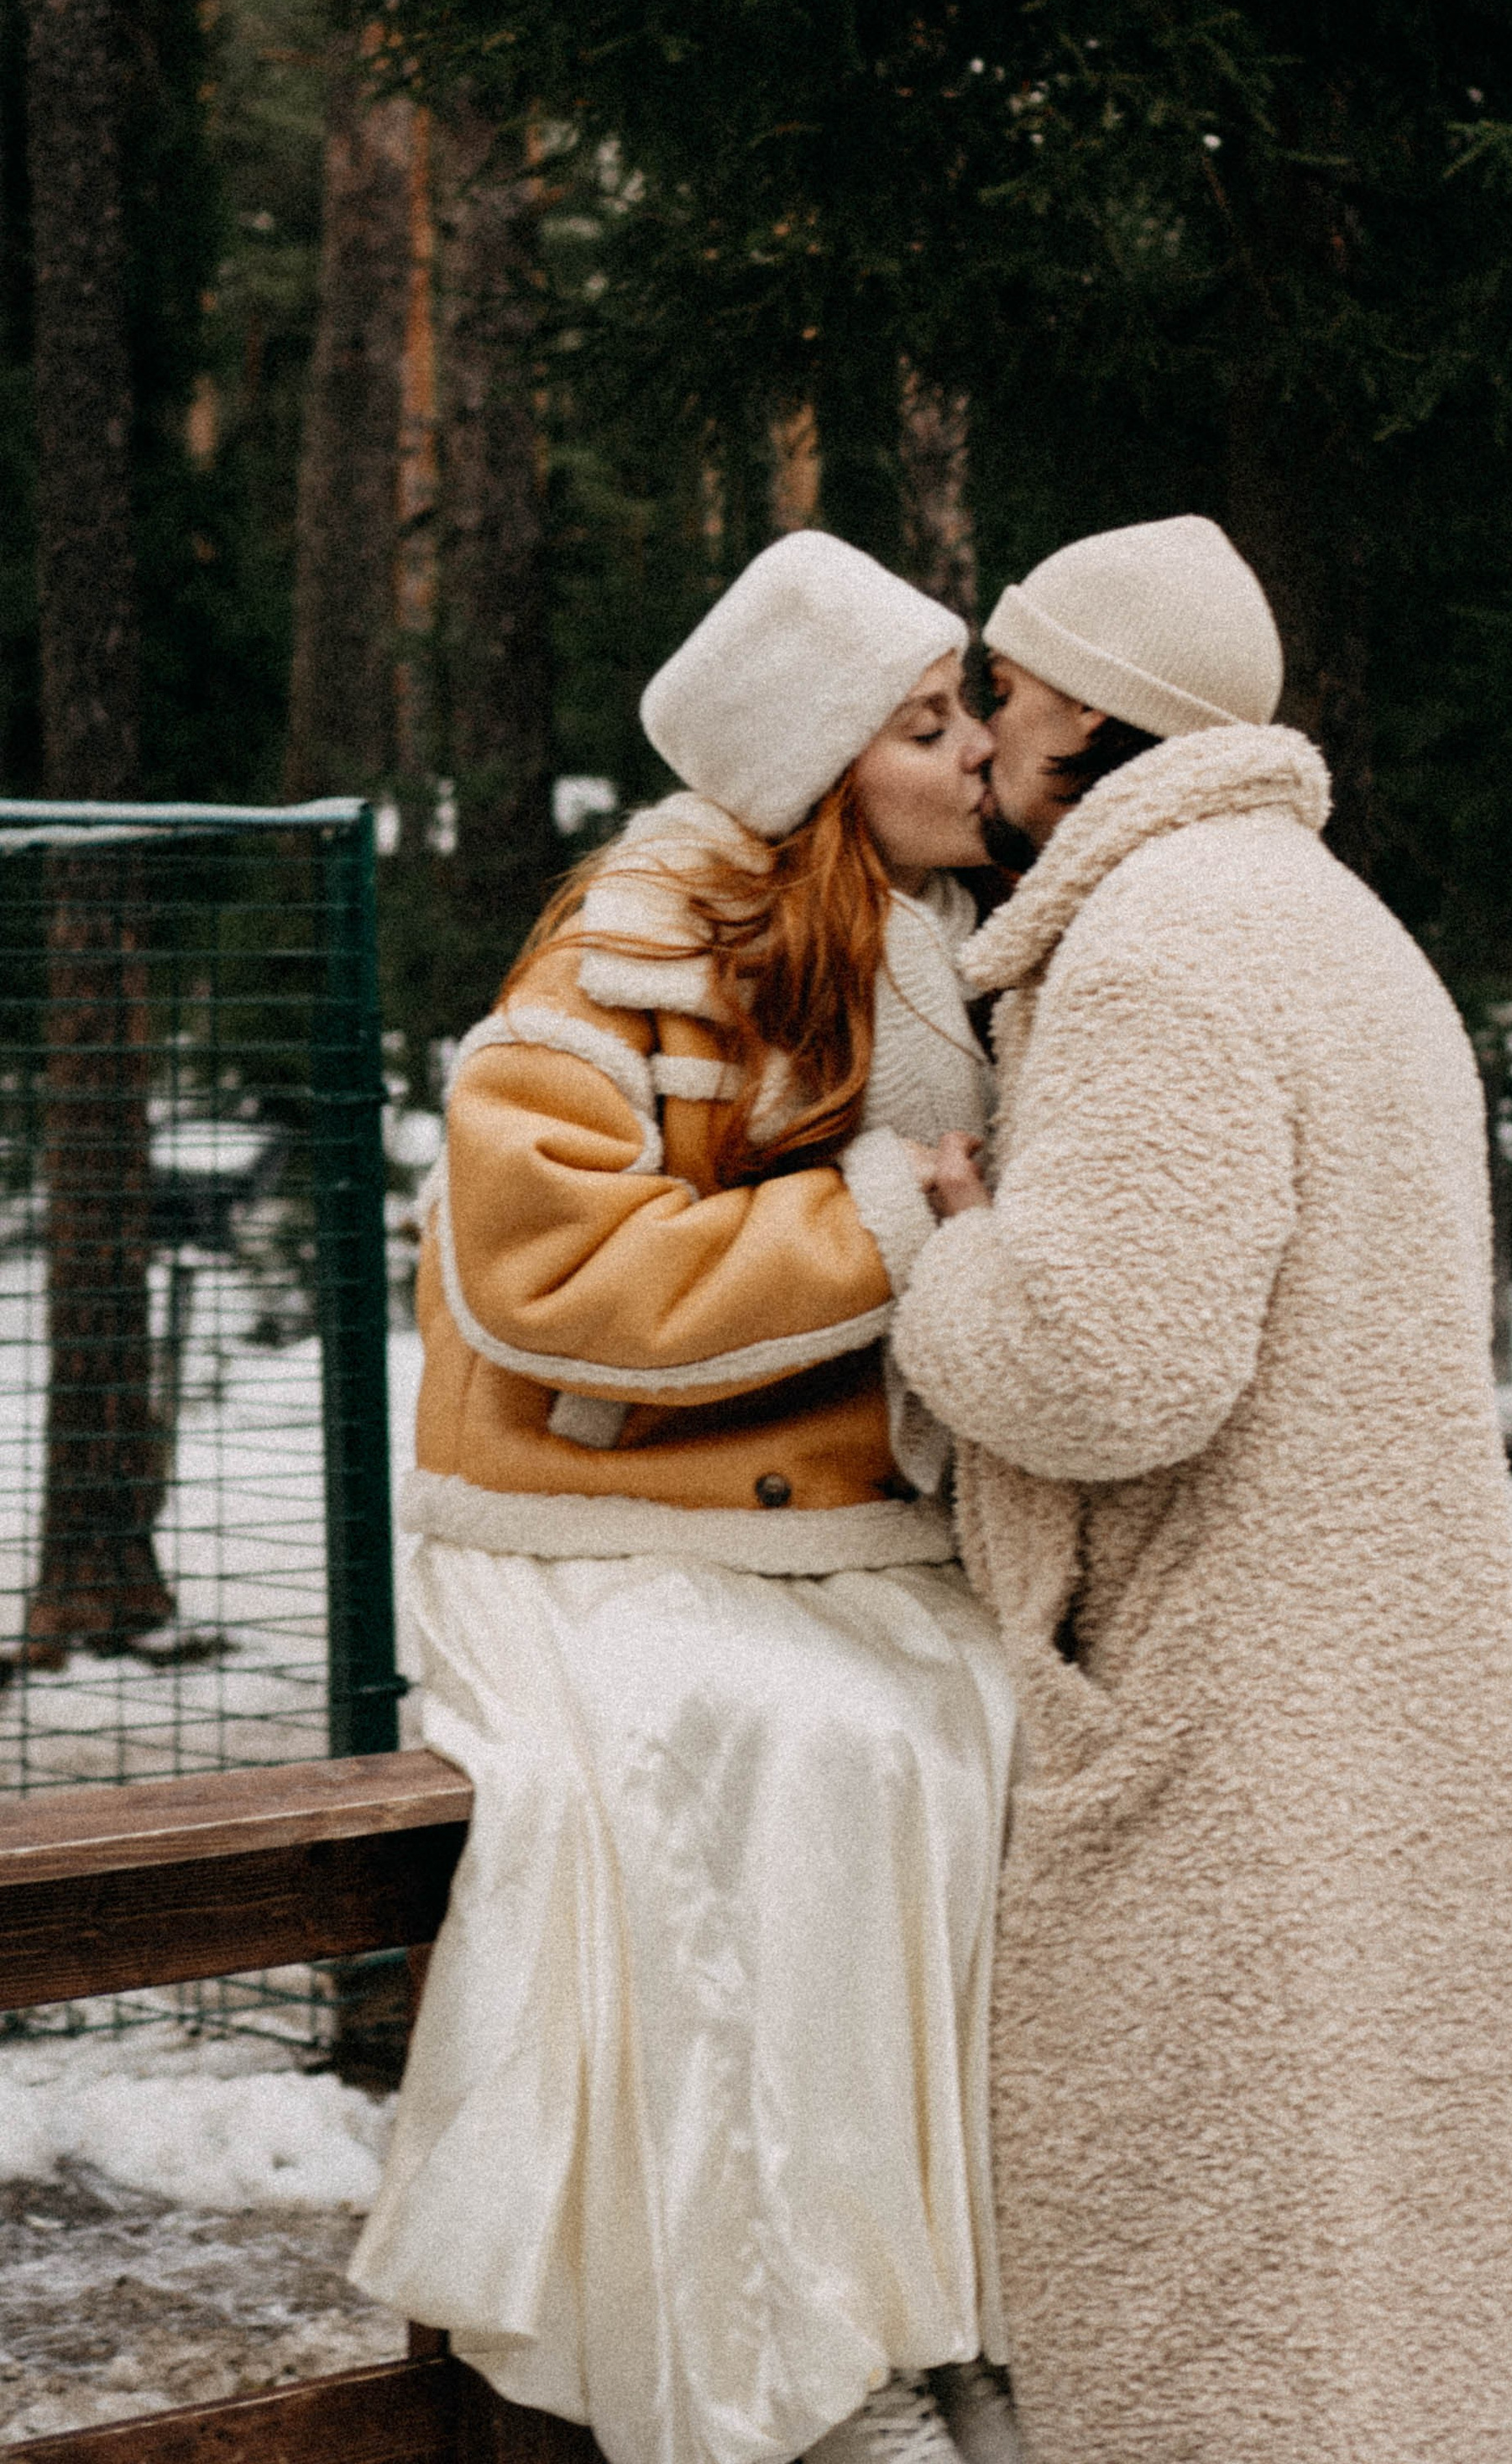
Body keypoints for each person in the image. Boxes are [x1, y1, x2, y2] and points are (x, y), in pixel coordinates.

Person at [896, 516, 1512, 2464]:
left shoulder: (1157, 947)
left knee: (1235, 2289)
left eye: (1002, 684)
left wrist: (948, 1258)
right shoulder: (1338, 929)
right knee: (1406, 2268)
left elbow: (1109, 1369)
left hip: (1228, 1722)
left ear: (1084, 703)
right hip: (1375, 1686)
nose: (983, 729)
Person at [353, 532, 1023, 2464]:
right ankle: (793, 2372)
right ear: (820, 772)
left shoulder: (908, 938)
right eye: (925, 720)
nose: (974, 748)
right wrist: (887, 1215)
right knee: (790, 1755)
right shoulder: (623, 947)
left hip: (804, 1532)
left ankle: (944, 2296)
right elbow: (553, 1271)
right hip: (591, 1528)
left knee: (975, 1729)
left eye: (967, 704)